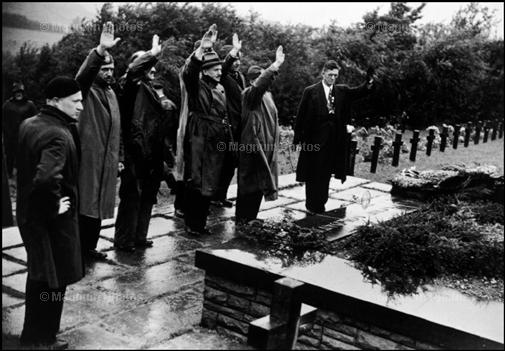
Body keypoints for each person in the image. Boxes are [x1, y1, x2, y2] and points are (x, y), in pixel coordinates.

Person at [17, 76, 85, 349]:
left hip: (28, 216)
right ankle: (43, 339)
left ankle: (33, 336)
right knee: (53, 281)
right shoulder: (58, 132)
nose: (80, 106)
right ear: (56, 101)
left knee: (39, 275)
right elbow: (46, 179)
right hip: (51, 221)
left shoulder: (30, 123)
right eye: (75, 101)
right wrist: (55, 206)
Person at [293, 60, 375, 214]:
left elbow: (359, 92)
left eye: (335, 75)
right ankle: (312, 204)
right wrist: (297, 139)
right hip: (314, 140)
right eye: (330, 75)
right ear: (323, 73)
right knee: (313, 173)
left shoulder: (341, 91)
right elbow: (301, 116)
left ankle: (321, 203)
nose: (332, 78)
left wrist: (368, 82)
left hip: (333, 141)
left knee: (325, 173)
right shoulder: (310, 91)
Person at [114, 34, 167, 251]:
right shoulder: (130, 85)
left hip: (150, 153)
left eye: (154, 69)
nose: (152, 72)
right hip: (134, 152)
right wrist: (153, 53)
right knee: (131, 198)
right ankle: (125, 240)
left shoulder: (149, 90)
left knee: (147, 198)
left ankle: (139, 237)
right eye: (148, 67)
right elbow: (135, 72)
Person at [75, 21, 122, 261]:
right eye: (104, 69)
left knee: (99, 207)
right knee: (86, 204)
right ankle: (79, 250)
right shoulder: (86, 90)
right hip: (89, 158)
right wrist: (99, 52)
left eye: (111, 69)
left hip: (108, 159)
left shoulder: (111, 92)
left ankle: (90, 248)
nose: (109, 73)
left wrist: (119, 157)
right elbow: (83, 76)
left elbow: (117, 129)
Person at [180, 24, 233, 235]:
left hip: (216, 137)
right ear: (205, 70)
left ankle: (200, 223)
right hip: (200, 136)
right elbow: (189, 71)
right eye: (216, 69)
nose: (221, 71)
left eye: (221, 68)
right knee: (197, 180)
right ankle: (193, 224)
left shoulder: (218, 86)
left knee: (210, 181)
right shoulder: (196, 85)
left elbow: (225, 69)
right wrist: (201, 49)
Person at [236, 46, 285, 223]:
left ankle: (250, 219)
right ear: (252, 82)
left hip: (266, 147)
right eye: (259, 79)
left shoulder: (267, 96)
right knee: (248, 186)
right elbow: (261, 84)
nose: (264, 82)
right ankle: (242, 222)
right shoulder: (250, 94)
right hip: (252, 148)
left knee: (260, 186)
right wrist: (276, 65)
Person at [211, 34, 247, 208]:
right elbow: (224, 66)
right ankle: (213, 196)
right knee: (223, 162)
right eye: (234, 59)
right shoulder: (223, 75)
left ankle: (221, 195)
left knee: (232, 163)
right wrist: (233, 52)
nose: (237, 63)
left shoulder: (240, 76)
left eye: (239, 59)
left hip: (239, 126)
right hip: (226, 126)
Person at [2, 82, 38, 177]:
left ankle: (24, 174)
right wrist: (6, 133)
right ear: (13, 93)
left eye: (20, 92)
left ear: (23, 92)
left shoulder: (30, 105)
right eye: (16, 92)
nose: (19, 94)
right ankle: (9, 174)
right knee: (9, 156)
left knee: (24, 156)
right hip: (10, 136)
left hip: (25, 135)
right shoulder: (7, 105)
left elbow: (36, 120)